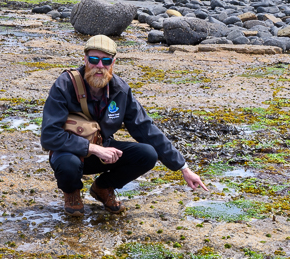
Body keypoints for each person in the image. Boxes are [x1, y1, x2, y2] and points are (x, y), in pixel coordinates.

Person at [40, 35, 207, 216]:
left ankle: (103, 188)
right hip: (70, 153)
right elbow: (49, 136)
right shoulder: (65, 84)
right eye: (94, 60)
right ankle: (72, 193)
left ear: (113, 62)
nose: (100, 66)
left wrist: (183, 168)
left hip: (102, 152)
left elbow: (146, 128)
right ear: (85, 59)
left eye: (106, 61)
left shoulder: (121, 90)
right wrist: (94, 148)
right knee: (67, 163)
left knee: (147, 154)